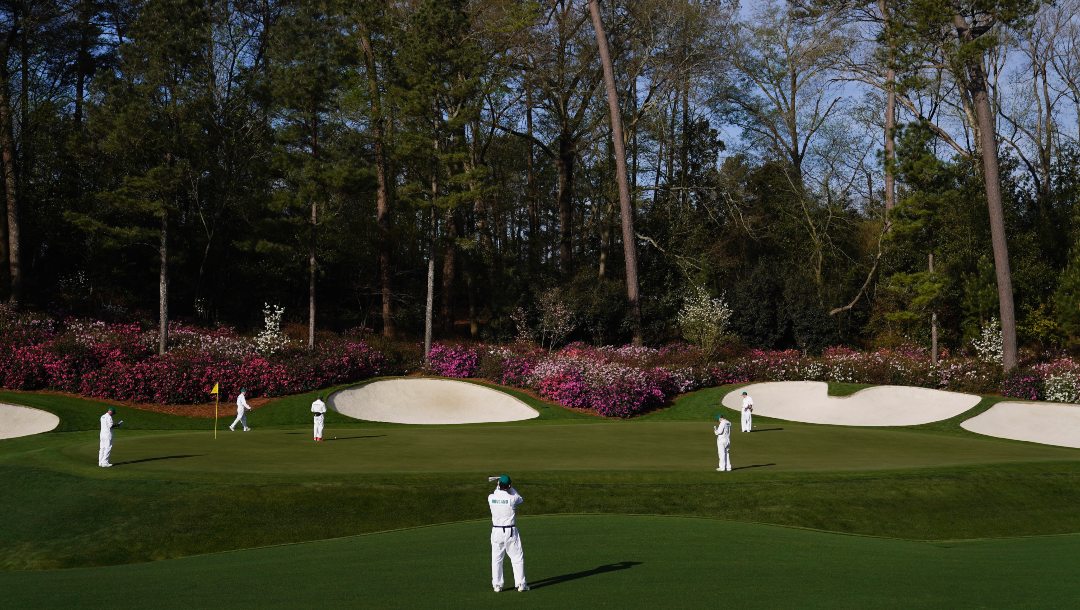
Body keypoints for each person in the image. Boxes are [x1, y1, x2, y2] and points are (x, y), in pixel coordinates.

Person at [488, 474, 528, 593]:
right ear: (509, 486)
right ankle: (521, 584)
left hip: (496, 532)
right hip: (510, 531)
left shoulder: (490, 497)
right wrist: (509, 486)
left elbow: (497, 492)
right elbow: (520, 498)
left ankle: (497, 585)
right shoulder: (513, 498)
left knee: (496, 559)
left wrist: (499, 484)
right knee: (517, 558)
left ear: (499, 485)